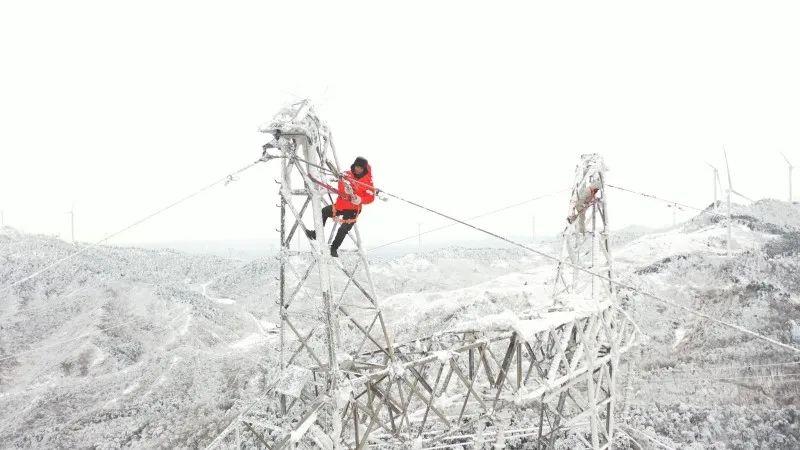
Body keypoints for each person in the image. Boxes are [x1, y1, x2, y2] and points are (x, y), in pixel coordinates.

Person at [305, 157, 375, 257]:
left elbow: (370, 197)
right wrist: (346, 190)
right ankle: (316, 234)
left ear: (364, 169)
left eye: (360, 168)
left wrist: (359, 199)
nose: (357, 169)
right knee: (324, 211)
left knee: (343, 229)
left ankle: (334, 248)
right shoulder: (346, 175)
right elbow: (341, 185)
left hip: (354, 210)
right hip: (341, 205)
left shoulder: (368, 181)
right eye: (356, 166)